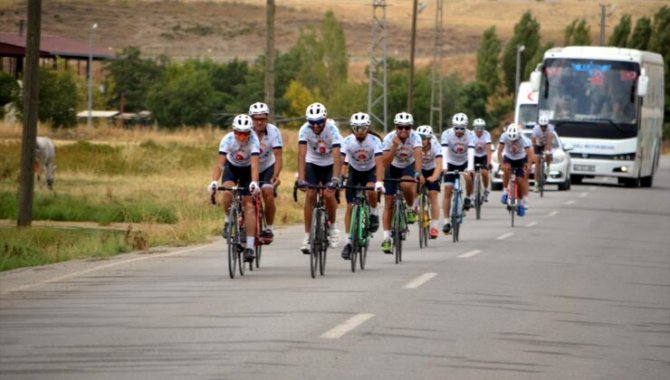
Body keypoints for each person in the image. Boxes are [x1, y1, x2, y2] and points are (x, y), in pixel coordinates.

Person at [209, 114, 261, 262]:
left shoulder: (254, 141)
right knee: (227, 192)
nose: (242, 137)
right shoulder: (227, 140)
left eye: (245, 133)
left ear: (250, 133)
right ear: (233, 131)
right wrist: (214, 181)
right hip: (232, 167)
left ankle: (250, 246)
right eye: (238, 133)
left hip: (247, 170)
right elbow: (220, 164)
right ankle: (227, 220)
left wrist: (254, 183)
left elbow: (255, 164)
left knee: (249, 204)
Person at [296, 102, 343, 253]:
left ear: (325, 119)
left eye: (319, 122)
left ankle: (333, 228)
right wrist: (301, 178)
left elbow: (337, 156)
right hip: (313, 162)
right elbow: (301, 154)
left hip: (330, 163)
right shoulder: (304, 130)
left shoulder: (332, 130)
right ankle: (308, 236)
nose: (315, 126)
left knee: (329, 194)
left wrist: (336, 178)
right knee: (310, 194)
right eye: (312, 123)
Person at [339, 112, 385, 260]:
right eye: (357, 128)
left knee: (371, 189)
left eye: (363, 128)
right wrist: (339, 178)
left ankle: (373, 212)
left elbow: (379, 163)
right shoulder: (347, 141)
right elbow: (341, 161)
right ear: (353, 128)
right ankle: (348, 242)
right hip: (355, 171)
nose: (360, 132)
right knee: (350, 207)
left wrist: (379, 181)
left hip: (370, 171)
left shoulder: (375, 141)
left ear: (367, 128)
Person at [380, 112, 423, 254]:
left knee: (406, 184)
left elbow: (417, 157)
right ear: (395, 127)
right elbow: (384, 163)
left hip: (408, 166)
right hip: (392, 167)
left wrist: (418, 173)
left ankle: (411, 206)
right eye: (400, 127)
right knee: (388, 202)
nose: (404, 130)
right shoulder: (388, 139)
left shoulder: (416, 137)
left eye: (407, 127)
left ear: (411, 128)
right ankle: (386, 238)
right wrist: (394, 148)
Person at [248, 102, 283, 241]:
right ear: (251, 119)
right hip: (249, 166)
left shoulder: (274, 131)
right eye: (256, 118)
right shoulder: (245, 130)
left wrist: (276, 175)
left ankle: (268, 228)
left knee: (267, 192)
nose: (259, 121)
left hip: (268, 166)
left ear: (267, 118)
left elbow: (279, 156)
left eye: (262, 118)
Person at [440, 112, 475, 235]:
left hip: (464, 162)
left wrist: (470, 169)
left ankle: (468, 197)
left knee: (469, 178)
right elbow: (443, 152)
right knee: (448, 190)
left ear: (466, 127)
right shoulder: (446, 134)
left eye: (462, 128)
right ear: (453, 126)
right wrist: (444, 167)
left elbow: (471, 153)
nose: (459, 131)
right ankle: (445, 221)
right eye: (457, 128)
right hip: (450, 162)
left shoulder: (471, 135)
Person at [498, 123, 534, 217]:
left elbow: (530, 155)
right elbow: (499, 151)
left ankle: (521, 202)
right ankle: (505, 192)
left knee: (520, 181)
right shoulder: (504, 136)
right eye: (511, 140)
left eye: (515, 140)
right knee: (506, 169)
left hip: (520, 159)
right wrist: (502, 164)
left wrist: (528, 165)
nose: (513, 142)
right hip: (508, 157)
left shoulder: (524, 139)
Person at [416, 125, 442, 239]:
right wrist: (419, 175)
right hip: (418, 169)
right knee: (412, 189)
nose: (421, 141)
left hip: (432, 170)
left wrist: (434, 177)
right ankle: (415, 206)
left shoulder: (436, 146)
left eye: (424, 138)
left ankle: (434, 227)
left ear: (429, 139)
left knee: (433, 194)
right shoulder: (415, 146)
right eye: (420, 138)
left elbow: (439, 164)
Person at [531, 114, 554, 192]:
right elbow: (533, 141)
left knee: (548, 154)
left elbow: (549, 140)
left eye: (545, 126)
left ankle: (547, 167)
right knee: (537, 161)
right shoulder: (536, 129)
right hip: (538, 144)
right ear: (539, 125)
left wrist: (547, 150)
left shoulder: (550, 128)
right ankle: (536, 183)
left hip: (546, 143)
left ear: (547, 125)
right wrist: (536, 146)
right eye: (542, 126)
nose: (543, 128)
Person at [471, 118, 492, 202]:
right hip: (474, 155)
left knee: (484, 172)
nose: (479, 131)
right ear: (474, 128)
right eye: (477, 129)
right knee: (471, 174)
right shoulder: (470, 134)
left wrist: (489, 161)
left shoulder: (486, 134)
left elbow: (488, 148)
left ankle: (486, 189)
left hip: (483, 155)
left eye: (481, 129)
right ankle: (471, 194)